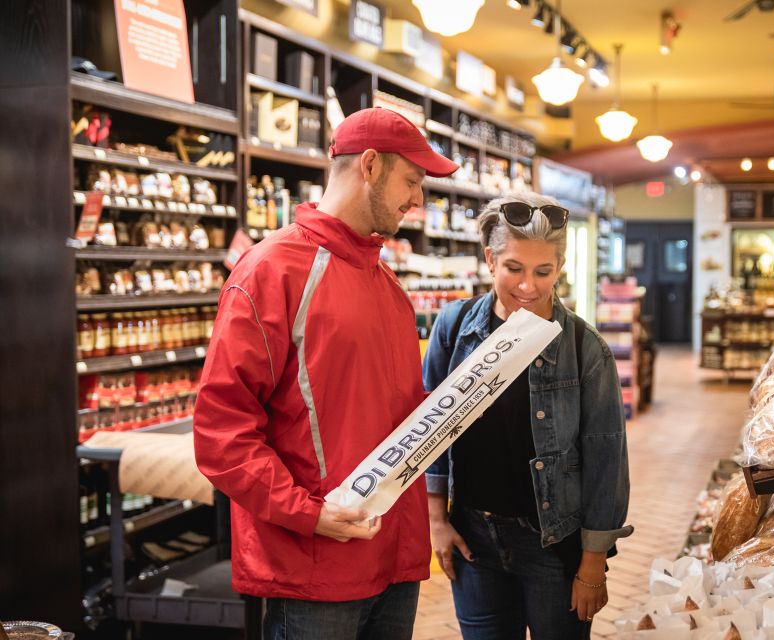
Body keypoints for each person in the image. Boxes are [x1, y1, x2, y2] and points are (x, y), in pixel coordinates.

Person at [193, 107, 459, 640]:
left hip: (394, 561)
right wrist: (307, 514)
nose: (418, 201)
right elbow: (222, 434)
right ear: (369, 165)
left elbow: (387, 415)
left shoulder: (387, 285)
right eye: (412, 181)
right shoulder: (272, 270)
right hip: (313, 569)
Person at [423, 193, 633, 639]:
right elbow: (432, 430)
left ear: (560, 267)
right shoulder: (455, 326)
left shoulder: (584, 347)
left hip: (552, 545)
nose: (528, 287)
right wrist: (436, 520)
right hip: (473, 540)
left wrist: (593, 563)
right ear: (489, 260)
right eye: (513, 269)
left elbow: (606, 457)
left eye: (544, 271)